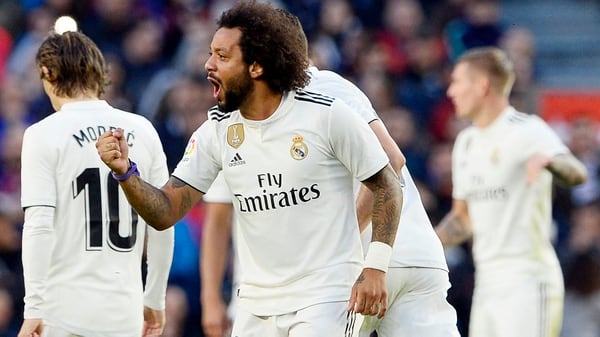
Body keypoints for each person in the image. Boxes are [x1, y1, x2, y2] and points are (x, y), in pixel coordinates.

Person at [96, 1, 403, 337]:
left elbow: (388, 182)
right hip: (254, 304)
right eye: (211, 53)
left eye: (222, 56)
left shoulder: (326, 115)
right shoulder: (217, 131)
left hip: (325, 297)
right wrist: (126, 174)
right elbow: (166, 210)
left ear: (256, 67)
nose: (208, 64)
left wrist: (375, 265)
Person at [200, 8, 461, 337]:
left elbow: (391, 161)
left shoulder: (317, 90)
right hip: (418, 258)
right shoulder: (321, 94)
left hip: (360, 264)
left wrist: (344, 238)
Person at [18, 28, 174, 337]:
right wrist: (154, 297)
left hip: (62, 314)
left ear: (47, 73)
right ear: (99, 73)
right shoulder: (143, 130)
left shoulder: (42, 133)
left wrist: (33, 307)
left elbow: (38, 224)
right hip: (125, 315)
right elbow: (163, 222)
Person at [435, 46, 588, 337]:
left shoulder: (526, 129)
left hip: (527, 280)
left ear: (482, 86)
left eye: (457, 82)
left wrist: (551, 162)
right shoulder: (465, 142)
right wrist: (424, 244)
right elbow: (462, 220)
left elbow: (577, 173)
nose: (451, 91)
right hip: (487, 284)